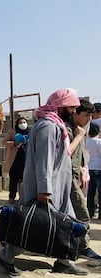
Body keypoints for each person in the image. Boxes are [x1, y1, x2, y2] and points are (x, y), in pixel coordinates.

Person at [0, 88, 90, 276]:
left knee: (66, 222)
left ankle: (64, 261)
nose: (73, 112)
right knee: (33, 223)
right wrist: (45, 189)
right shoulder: (48, 126)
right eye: (71, 107)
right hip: (46, 186)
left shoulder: (56, 124)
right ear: (60, 106)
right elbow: (44, 159)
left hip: (58, 185)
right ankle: (6, 256)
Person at [65, 99, 101, 260]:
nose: (89, 119)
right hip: (65, 176)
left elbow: (78, 152)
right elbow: (67, 151)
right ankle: (83, 247)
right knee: (82, 213)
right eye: (86, 115)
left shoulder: (79, 129)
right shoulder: (67, 129)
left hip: (72, 174)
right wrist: (79, 136)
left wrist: (80, 168)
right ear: (76, 113)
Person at [2, 117, 29, 203]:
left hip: (26, 159)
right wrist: (14, 143)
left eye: (24, 122)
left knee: (25, 180)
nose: (23, 124)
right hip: (15, 159)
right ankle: (12, 197)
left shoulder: (30, 132)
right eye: (20, 122)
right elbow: (4, 142)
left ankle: (23, 197)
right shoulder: (12, 132)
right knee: (14, 179)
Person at [87, 122, 101, 219]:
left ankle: (90, 212)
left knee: (90, 193)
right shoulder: (98, 142)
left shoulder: (85, 141)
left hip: (88, 168)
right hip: (98, 168)